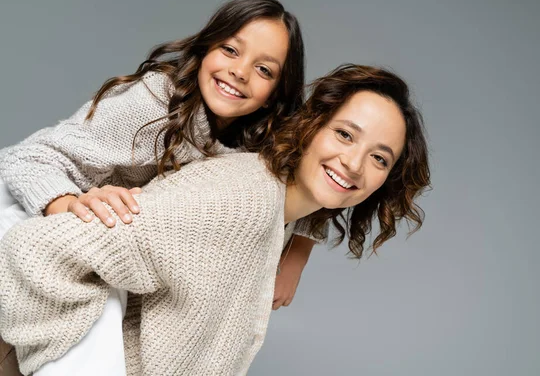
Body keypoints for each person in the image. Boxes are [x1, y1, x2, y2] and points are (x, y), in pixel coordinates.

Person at [0, 64, 431, 375]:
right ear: (310, 126)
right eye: (344, 134)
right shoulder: (233, 203)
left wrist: (300, 249)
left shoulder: (281, 213)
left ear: (385, 181)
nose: (355, 163)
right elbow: (36, 248)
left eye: (379, 157)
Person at [0, 0, 314, 375]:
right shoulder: (156, 103)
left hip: (107, 238)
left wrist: (297, 253)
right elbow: (26, 157)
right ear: (205, 48)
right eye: (230, 50)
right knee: (100, 318)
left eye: (264, 69)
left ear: (277, 92)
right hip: (28, 209)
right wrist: (71, 202)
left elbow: (308, 177)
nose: (240, 72)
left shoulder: (255, 146)